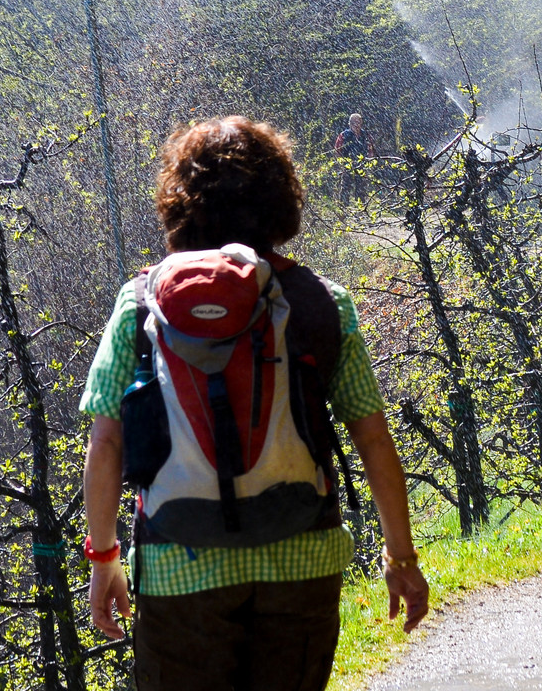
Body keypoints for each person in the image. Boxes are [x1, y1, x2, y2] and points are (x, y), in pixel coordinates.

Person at [80, 116, 429, 691]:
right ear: (279, 200)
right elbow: (371, 436)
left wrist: (104, 560)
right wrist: (401, 558)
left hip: (177, 568)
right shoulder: (322, 302)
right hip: (303, 559)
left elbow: (107, 441)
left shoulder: (139, 303)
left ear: (179, 203)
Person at [333, 113, 369, 202]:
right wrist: (341, 162)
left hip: (361, 164)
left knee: (361, 186)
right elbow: (337, 150)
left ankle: (361, 207)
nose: (356, 125)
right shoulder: (344, 135)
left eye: (358, 122)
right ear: (349, 123)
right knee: (345, 186)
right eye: (354, 122)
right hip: (347, 163)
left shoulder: (365, 135)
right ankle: (343, 206)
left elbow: (370, 148)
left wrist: (368, 162)